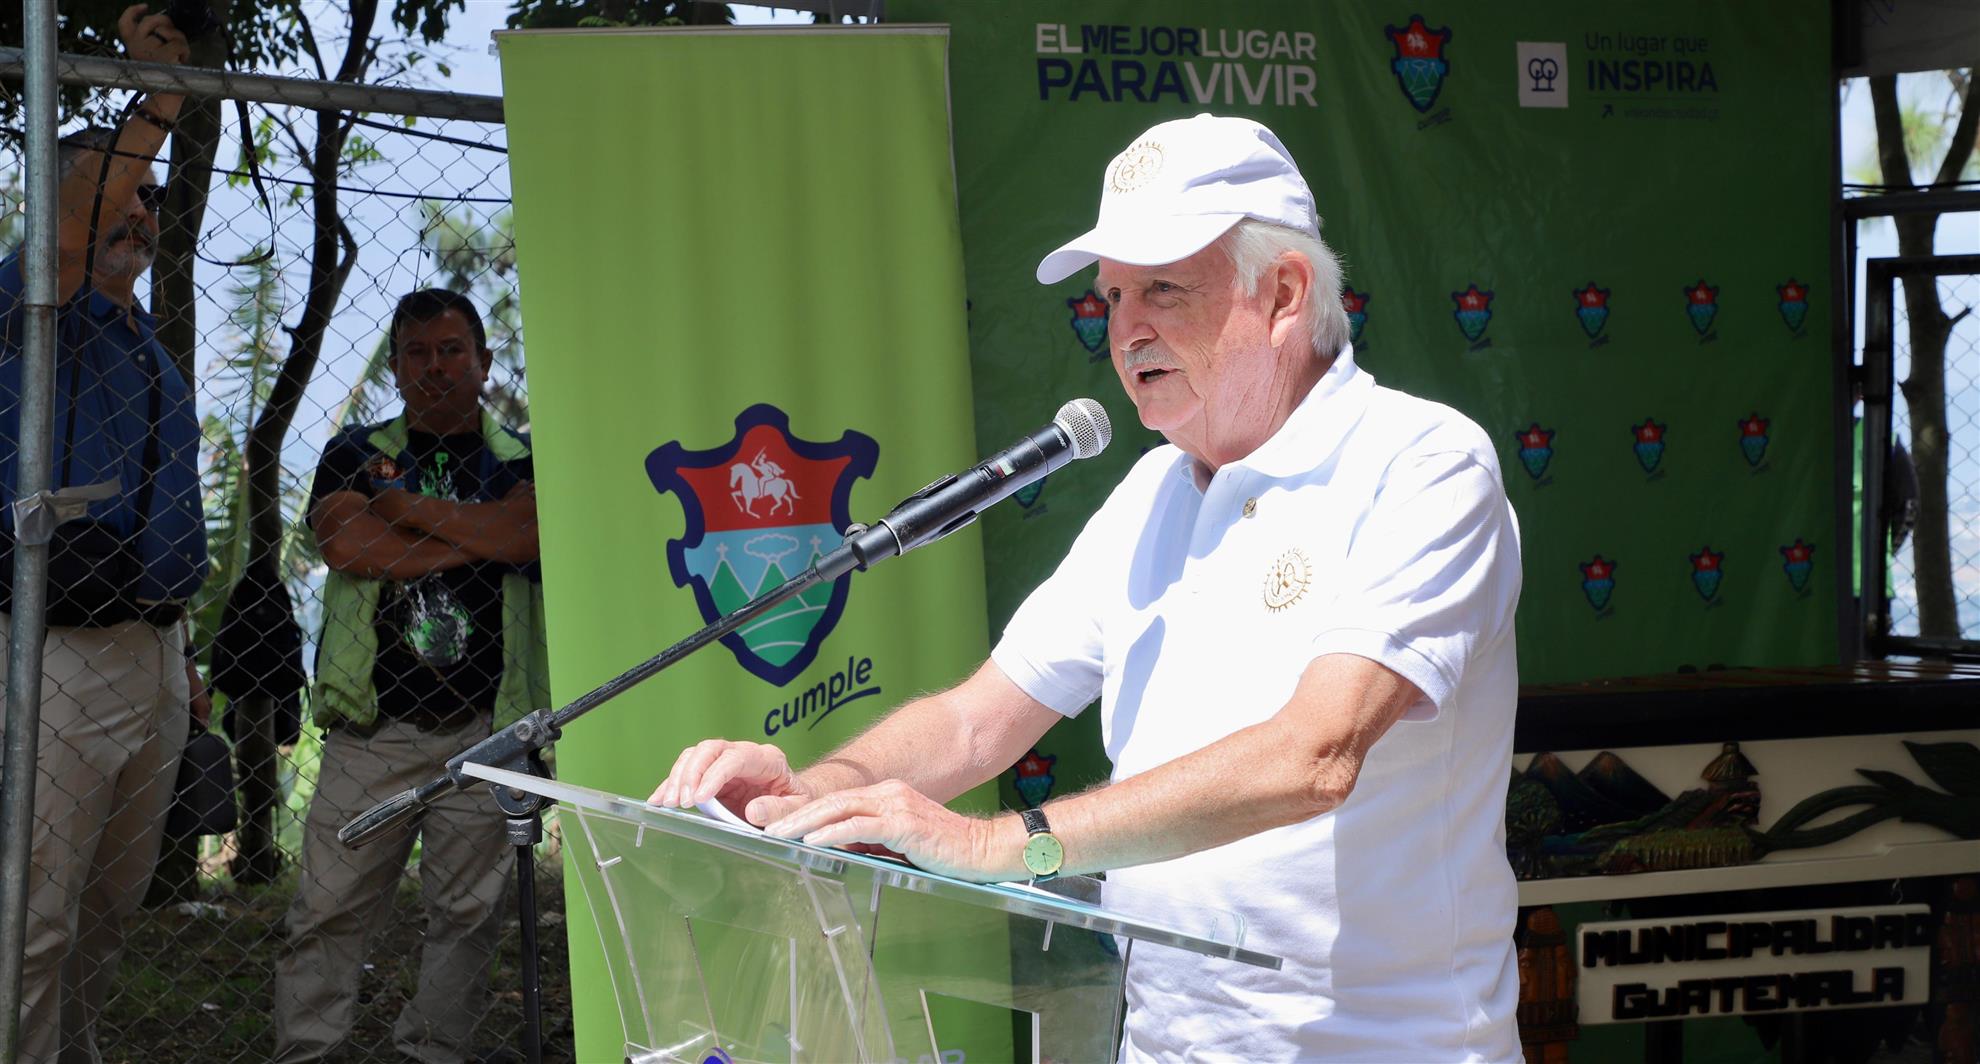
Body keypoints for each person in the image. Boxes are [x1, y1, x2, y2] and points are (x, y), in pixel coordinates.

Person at [653, 114, 1524, 1060]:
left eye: (1163, 289)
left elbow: (1314, 755)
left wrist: (998, 845)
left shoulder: (1423, 464)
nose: (1125, 329)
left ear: (1282, 293)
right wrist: (812, 797)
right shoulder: (1152, 492)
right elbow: (977, 724)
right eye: (1112, 295)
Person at [0, 7, 210, 1062]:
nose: (142, 209)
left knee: (110, 904)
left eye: (154, 196)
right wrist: (158, 96)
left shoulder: (149, 349)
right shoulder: (31, 309)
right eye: (126, 188)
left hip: (154, 653)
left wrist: (185, 656)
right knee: (34, 913)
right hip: (58, 651)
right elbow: (75, 224)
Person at [272, 289, 549, 1063]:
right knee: (327, 909)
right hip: (374, 726)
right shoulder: (354, 450)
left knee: (468, 915)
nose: (435, 367)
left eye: (451, 351)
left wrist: (401, 507)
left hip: (490, 726)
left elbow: (528, 534)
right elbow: (347, 545)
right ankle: (308, 1051)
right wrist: (482, 537)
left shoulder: (521, 456)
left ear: (483, 362)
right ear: (394, 367)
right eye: (417, 353)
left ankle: (433, 1052)